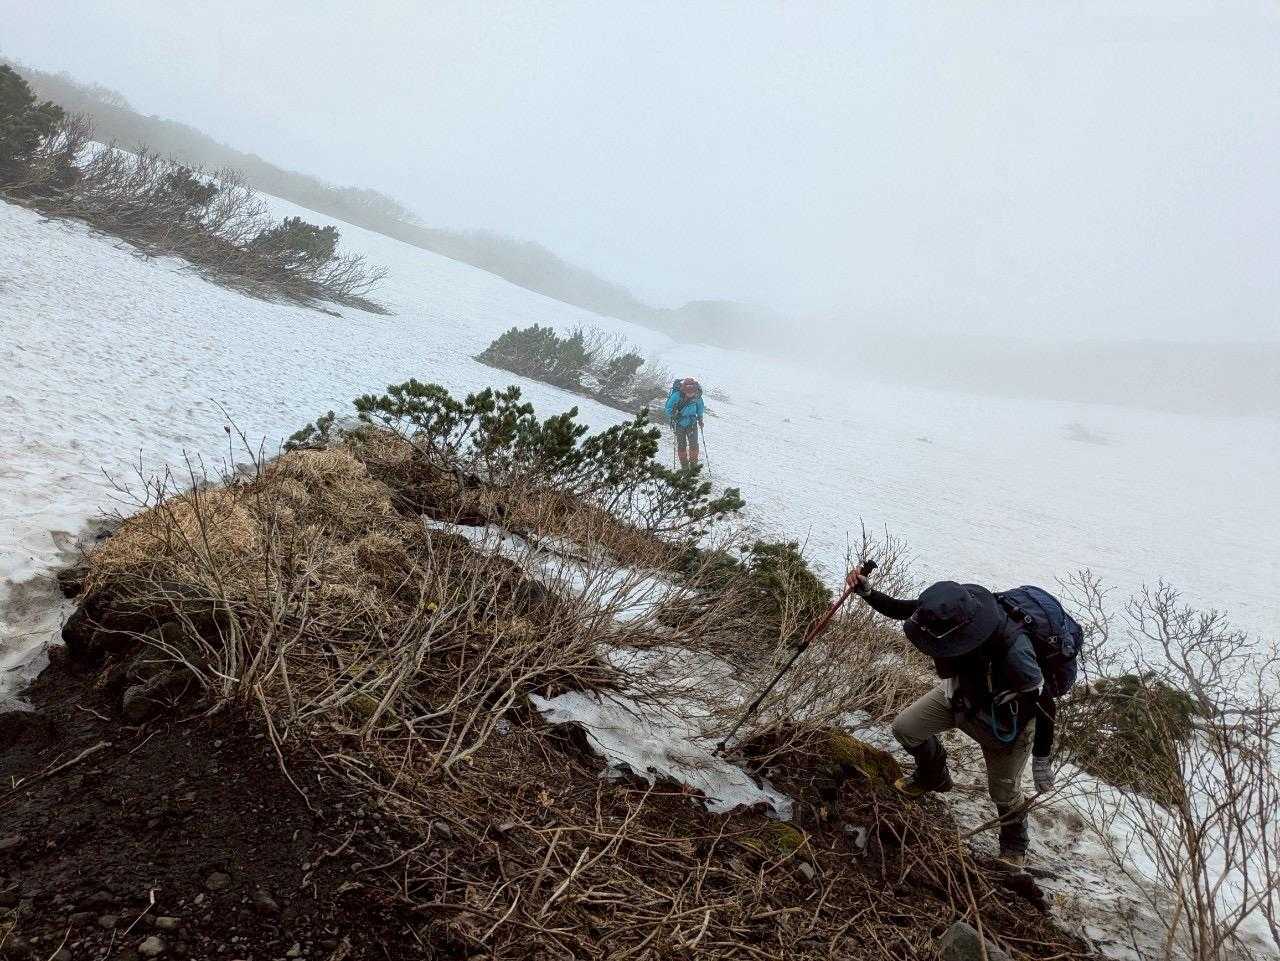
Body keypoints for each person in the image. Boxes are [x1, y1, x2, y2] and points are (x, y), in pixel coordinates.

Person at [845, 571, 1057, 869]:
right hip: (959, 696)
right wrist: (869, 593)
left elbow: (1045, 701)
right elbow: (905, 610)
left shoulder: (1013, 649)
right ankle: (933, 776)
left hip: (1006, 723)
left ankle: (1014, 845)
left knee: (1004, 792)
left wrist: (1042, 758)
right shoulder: (947, 612)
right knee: (906, 728)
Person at [664, 377, 705, 468]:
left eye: (692, 392)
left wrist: (700, 419)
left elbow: (700, 409)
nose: (690, 394)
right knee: (681, 444)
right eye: (688, 392)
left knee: (694, 444)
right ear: (684, 390)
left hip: (692, 423)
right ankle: (684, 466)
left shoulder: (697, 396)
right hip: (679, 423)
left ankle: (693, 465)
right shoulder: (677, 396)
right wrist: (674, 415)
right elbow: (668, 408)